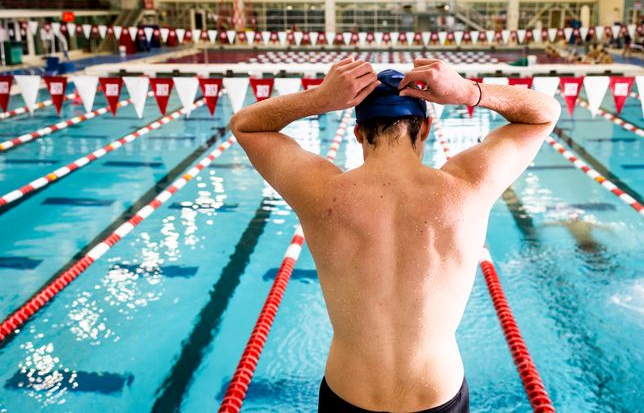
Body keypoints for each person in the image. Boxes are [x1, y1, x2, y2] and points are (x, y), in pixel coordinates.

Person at [230, 57, 561, 413]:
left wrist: (320, 99)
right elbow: (545, 112)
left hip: (348, 395)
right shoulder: (467, 187)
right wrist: (468, 91)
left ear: (358, 133)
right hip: (439, 396)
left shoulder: (320, 192)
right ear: (425, 129)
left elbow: (245, 126)